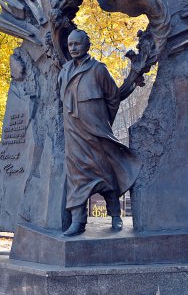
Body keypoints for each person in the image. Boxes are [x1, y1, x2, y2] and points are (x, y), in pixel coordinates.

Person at [59, 29, 141, 236]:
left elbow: (113, 97)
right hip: (73, 135)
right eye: (70, 45)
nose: (74, 48)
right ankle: (78, 222)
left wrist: (103, 122)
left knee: (106, 174)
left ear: (87, 45)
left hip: (96, 133)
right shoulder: (64, 70)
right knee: (76, 177)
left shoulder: (98, 70)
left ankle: (115, 215)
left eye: (78, 44)